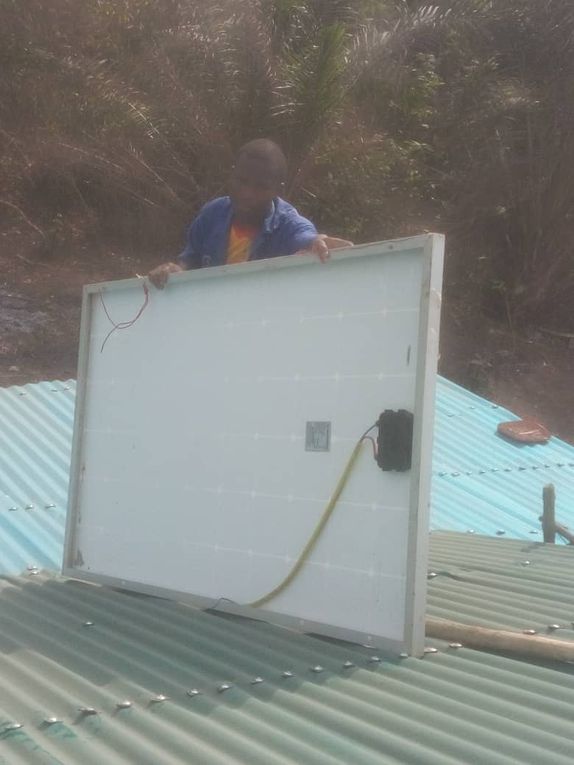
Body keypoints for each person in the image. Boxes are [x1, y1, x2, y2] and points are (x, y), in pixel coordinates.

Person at [148, 139, 352, 288]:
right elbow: (191, 259)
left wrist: (318, 241)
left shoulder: (287, 223)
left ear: (278, 189)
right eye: (241, 181)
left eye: (260, 186)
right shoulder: (212, 214)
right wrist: (176, 270)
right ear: (232, 175)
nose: (247, 194)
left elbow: (305, 235)